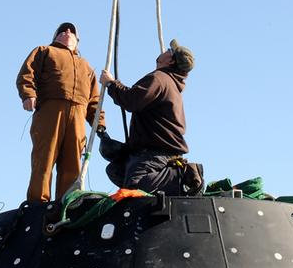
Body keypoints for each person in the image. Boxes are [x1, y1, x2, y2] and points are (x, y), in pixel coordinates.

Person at [99, 40, 201, 195]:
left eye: (169, 50)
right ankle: (167, 183)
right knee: (116, 170)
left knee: (134, 189)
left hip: (155, 154)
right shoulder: (170, 83)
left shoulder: (159, 79)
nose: (165, 50)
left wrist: (111, 84)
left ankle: (181, 178)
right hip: (155, 154)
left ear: (170, 61)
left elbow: (132, 101)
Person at [17, 23, 105, 204]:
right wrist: (28, 95)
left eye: (72, 31)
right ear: (55, 36)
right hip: (50, 110)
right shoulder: (44, 51)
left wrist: (100, 124)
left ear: (77, 41)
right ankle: (38, 203)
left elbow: (94, 100)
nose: (68, 31)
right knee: (44, 158)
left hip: (79, 115)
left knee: (72, 164)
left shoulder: (87, 67)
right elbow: (27, 74)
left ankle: (68, 203)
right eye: (63, 30)